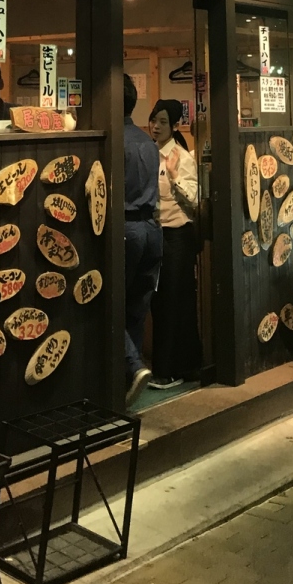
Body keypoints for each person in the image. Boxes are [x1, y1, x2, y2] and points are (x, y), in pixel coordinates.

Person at [147, 99, 202, 389]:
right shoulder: (148, 152)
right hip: (154, 234)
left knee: (173, 302)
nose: (156, 126)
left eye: (163, 122)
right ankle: (174, 366)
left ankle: (170, 370)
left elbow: (194, 199)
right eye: (153, 120)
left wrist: (173, 175)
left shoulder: (182, 157)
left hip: (177, 236)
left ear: (175, 125)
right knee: (158, 302)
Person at [123, 72, 162, 407]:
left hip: (127, 229)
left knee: (109, 302)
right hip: (152, 229)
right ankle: (131, 383)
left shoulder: (115, 141)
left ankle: (133, 366)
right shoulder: (148, 142)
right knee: (137, 307)